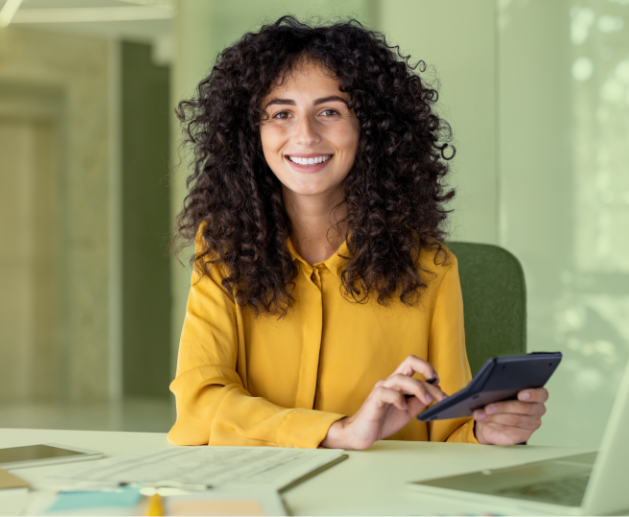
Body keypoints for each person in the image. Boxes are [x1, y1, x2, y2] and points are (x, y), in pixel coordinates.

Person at [168, 16, 548, 449]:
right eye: (280, 113)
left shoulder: (431, 267)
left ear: (371, 128)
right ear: (250, 133)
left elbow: (449, 432)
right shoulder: (221, 248)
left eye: (330, 111)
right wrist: (339, 432)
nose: (305, 135)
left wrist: (488, 432)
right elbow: (198, 407)